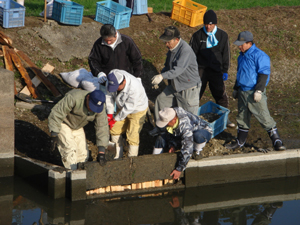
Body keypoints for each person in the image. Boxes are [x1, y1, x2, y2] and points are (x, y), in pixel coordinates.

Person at [226, 31, 286, 151]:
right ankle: (240, 141)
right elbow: (240, 74)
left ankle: (277, 141)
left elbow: (263, 74)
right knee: (242, 117)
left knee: (263, 116)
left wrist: (259, 91)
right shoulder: (241, 56)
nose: (239, 46)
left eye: (241, 44)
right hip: (243, 91)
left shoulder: (260, 55)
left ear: (249, 43)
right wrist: (236, 88)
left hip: (254, 92)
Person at [189, 10, 234, 128]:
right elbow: (191, 55)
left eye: (211, 24)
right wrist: (191, 71)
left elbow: (226, 54)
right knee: (195, 94)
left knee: (220, 94)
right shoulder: (197, 36)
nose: (208, 27)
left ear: (215, 24)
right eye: (206, 24)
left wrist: (225, 70)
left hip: (216, 70)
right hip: (201, 69)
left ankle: (225, 118)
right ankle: (190, 116)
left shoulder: (222, 35)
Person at [48, 89, 109, 170]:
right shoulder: (74, 97)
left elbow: (102, 126)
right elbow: (57, 113)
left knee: (83, 154)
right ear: (88, 97)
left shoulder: (100, 107)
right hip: (64, 123)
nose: (92, 110)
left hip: (78, 126)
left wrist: (101, 151)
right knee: (70, 150)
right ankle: (72, 175)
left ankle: (82, 175)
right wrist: (54, 133)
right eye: (91, 106)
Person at [151, 26, 201, 122]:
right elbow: (167, 66)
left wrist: (162, 76)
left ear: (176, 40)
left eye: (168, 42)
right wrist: (160, 76)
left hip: (188, 88)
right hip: (175, 85)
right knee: (161, 100)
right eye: (165, 42)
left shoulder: (185, 51)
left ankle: (187, 135)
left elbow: (177, 70)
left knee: (187, 117)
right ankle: (161, 129)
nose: (166, 44)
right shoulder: (172, 49)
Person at [153, 107, 212, 180]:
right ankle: (155, 160)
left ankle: (197, 151)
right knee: (160, 138)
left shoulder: (185, 126)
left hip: (201, 131)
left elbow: (187, 147)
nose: (165, 125)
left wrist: (179, 169)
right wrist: (172, 144)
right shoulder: (170, 113)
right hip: (181, 134)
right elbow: (169, 132)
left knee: (197, 136)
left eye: (166, 123)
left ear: (174, 120)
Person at [105, 69, 148, 159]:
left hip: (137, 110)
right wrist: (110, 114)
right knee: (114, 129)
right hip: (121, 107)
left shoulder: (134, 87)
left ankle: (131, 159)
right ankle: (117, 156)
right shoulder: (112, 76)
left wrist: (115, 119)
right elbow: (109, 96)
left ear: (124, 82)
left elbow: (129, 108)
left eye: (117, 87)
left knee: (132, 135)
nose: (115, 89)